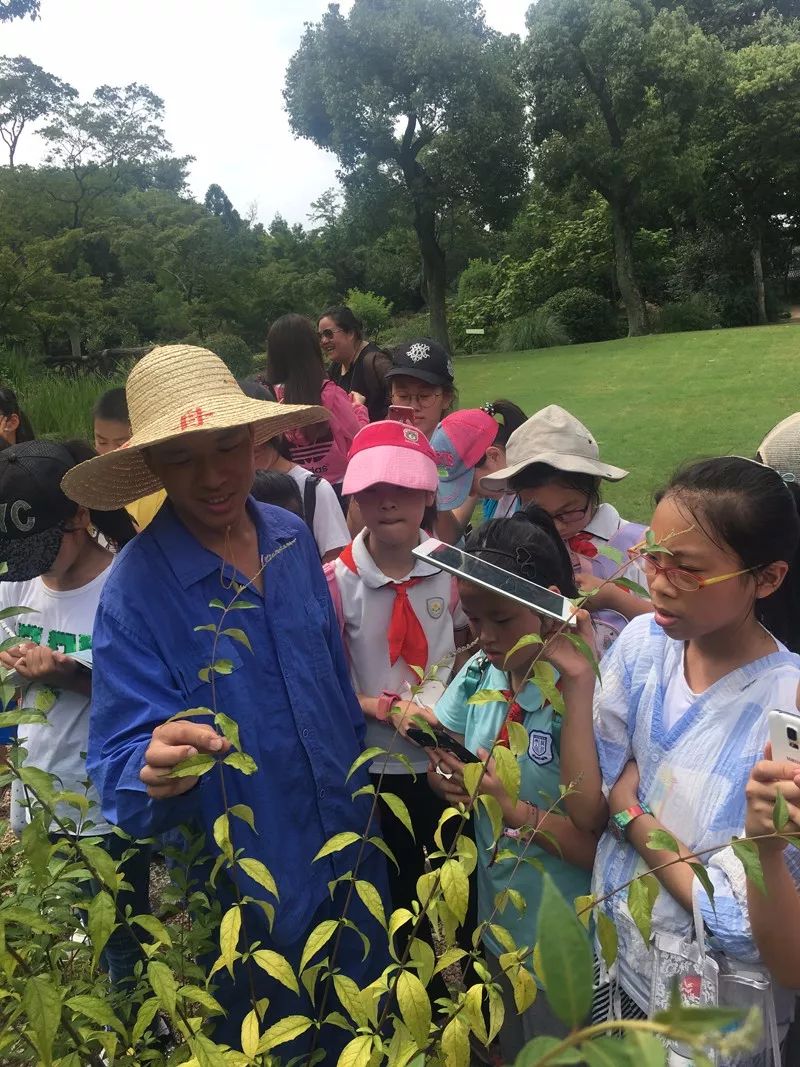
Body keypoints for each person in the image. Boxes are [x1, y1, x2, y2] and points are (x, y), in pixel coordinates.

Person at [61, 345, 390, 1057]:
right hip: (251, 903)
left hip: (355, 861)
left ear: (255, 440)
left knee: (370, 1033)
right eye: (182, 457)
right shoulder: (135, 591)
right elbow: (119, 765)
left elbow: (330, 686)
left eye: (228, 446)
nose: (213, 477)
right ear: (151, 467)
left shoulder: (291, 540)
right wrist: (150, 766)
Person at [556, 456, 800, 1061]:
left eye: (687, 570)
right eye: (653, 557)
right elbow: (584, 803)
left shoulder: (785, 710)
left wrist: (631, 812)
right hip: (615, 965)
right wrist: (580, 682)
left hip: (708, 1022)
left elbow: (750, 933)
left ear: (766, 579)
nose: (658, 583)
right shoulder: (643, 648)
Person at [426, 512, 597, 1059]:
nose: (485, 636)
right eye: (473, 618)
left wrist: (511, 807)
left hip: (560, 946)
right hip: (497, 924)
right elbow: (444, 749)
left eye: (500, 619)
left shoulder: (581, 702)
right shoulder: (482, 673)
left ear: (548, 607)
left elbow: (594, 846)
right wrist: (445, 779)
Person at [0, 440, 151, 994]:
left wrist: (68, 673)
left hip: (106, 796)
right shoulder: (17, 583)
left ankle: (139, 1028)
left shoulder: (121, 584)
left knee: (122, 926)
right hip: (41, 784)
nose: (31, 567)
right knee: (72, 916)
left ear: (80, 516)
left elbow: (143, 682)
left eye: (44, 548)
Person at [324, 420, 469, 921]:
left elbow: (470, 643)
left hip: (447, 763)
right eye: (373, 489)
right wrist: (382, 707)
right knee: (401, 897)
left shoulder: (453, 571)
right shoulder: (336, 584)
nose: (389, 502)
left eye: (405, 487)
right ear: (356, 498)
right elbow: (329, 684)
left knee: (463, 884)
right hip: (377, 767)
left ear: (429, 495)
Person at [480, 404, 650, 652]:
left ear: (594, 485)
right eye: (540, 515)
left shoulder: (638, 546)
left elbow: (672, 627)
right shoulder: (520, 548)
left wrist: (614, 598)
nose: (556, 527)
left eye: (568, 512)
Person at [241, 379, 349, 562]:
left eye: (261, 431)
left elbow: (335, 563)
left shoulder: (312, 490)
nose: (253, 443)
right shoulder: (230, 495)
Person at [265, 314, 367, 497]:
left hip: (296, 491)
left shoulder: (270, 398)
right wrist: (359, 407)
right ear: (311, 349)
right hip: (340, 488)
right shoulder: (331, 393)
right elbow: (360, 438)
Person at [431, 401, 527, 544]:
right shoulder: (496, 488)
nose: (470, 494)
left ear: (494, 456)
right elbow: (447, 537)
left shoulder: (540, 492)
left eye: (467, 482)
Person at [92, 387, 166, 530]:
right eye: (101, 442)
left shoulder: (161, 495)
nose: (109, 453)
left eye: (121, 444)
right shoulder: (90, 488)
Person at [318, 305, 393, 422]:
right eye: (320, 336)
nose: (323, 341)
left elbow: (401, 400)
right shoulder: (335, 368)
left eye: (328, 334)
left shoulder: (375, 362)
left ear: (350, 333)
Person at [385, 338, 457, 440]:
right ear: (391, 395)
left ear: (447, 398)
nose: (413, 407)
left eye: (424, 396)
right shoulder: (380, 450)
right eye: (403, 396)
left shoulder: (462, 452)